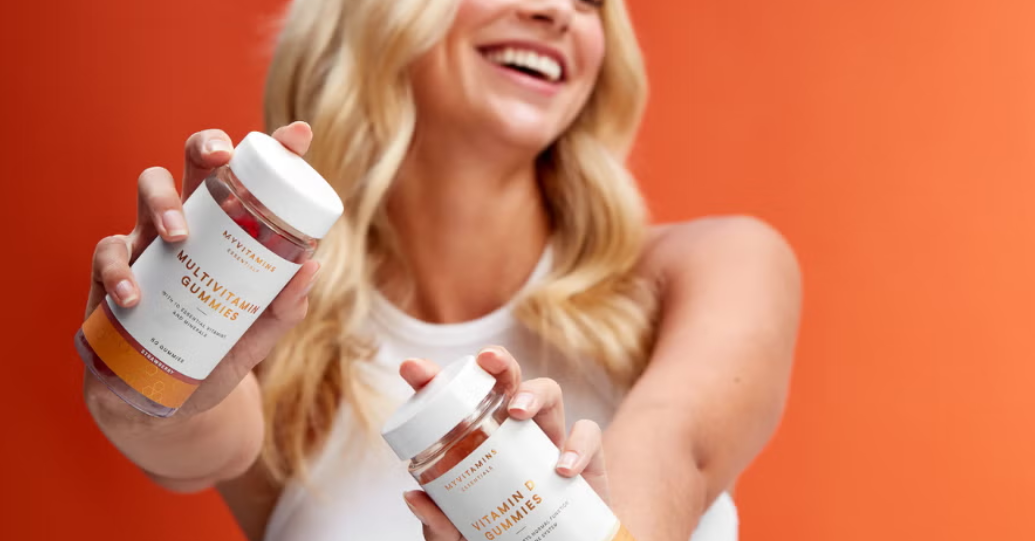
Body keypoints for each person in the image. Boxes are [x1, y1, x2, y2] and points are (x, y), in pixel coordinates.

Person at [81, 0, 801, 539]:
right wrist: (142, 367)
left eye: (588, 1)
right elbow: (184, 442)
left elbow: (677, 449)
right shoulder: (284, 332)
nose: (556, 11)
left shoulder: (713, 267)